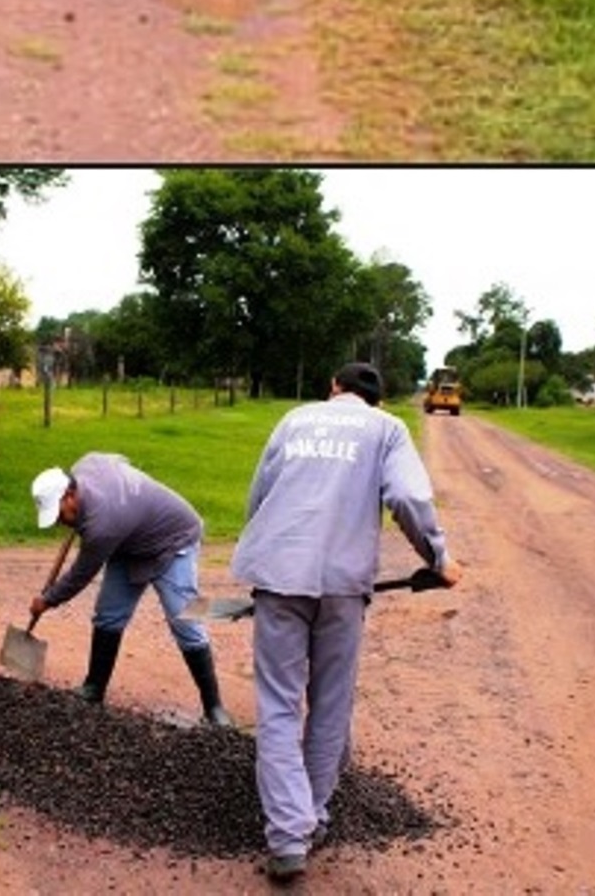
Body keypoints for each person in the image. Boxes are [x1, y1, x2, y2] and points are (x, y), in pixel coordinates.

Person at [231, 361, 463, 884]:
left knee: (278, 706)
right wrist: (438, 558)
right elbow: (405, 497)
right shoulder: (386, 430)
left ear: (333, 389)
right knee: (331, 706)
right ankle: (309, 820)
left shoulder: (294, 420)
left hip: (278, 577)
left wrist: (264, 554)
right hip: (342, 585)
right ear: (376, 400)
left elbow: (259, 498)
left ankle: (288, 837)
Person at [26, 456, 231, 724]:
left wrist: (47, 600)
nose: (60, 522)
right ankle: (93, 688)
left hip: (173, 539)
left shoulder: (102, 526)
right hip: (129, 543)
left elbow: (80, 575)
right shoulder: (85, 465)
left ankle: (214, 708)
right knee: (108, 615)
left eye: (59, 514)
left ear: (71, 494)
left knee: (185, 620)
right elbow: (118, 458)